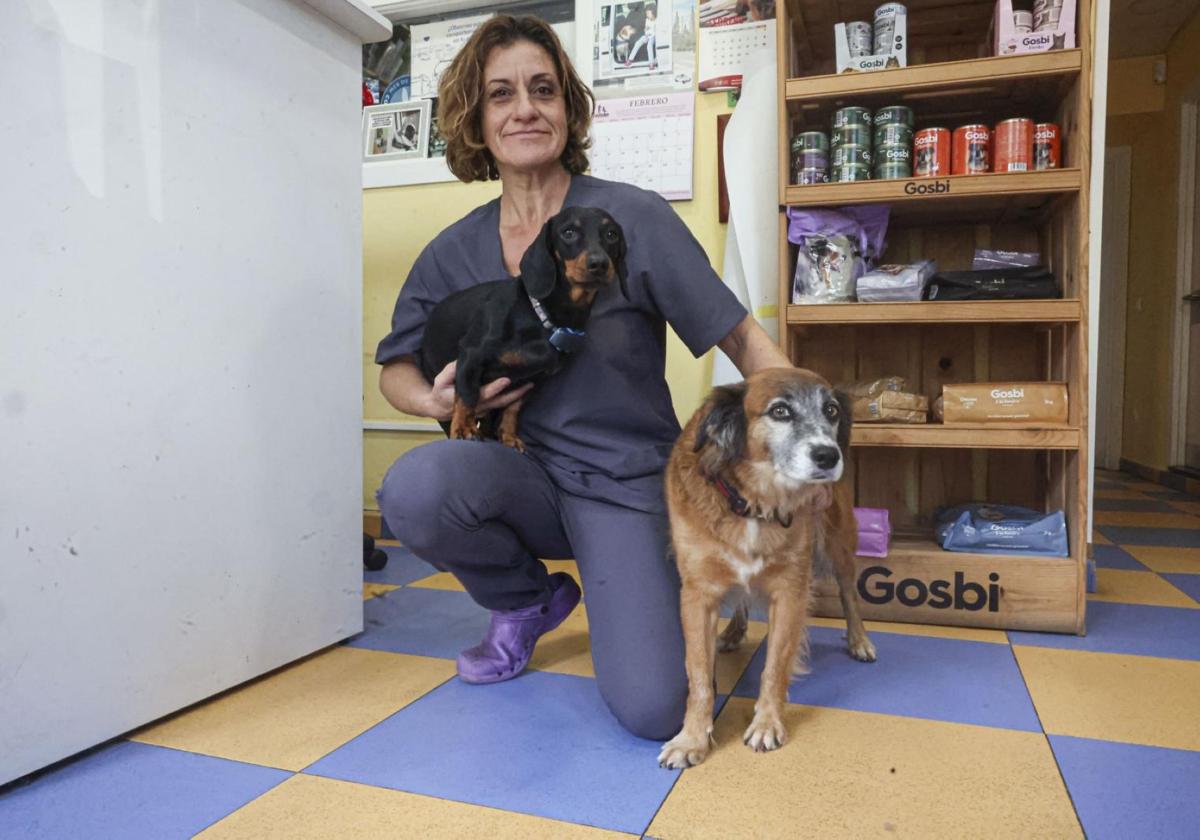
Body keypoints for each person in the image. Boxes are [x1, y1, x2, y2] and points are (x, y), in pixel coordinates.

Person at [374, 14, 790, 740]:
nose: (525, 108)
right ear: (477, 118)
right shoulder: (453, 251)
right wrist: (431, 399)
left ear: (568, 107)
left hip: (627, 486)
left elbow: (745, 339)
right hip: (516, 477)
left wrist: (798, 427)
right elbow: (396, 370)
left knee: (655, 709)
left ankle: (656, 580)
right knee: (416, 488)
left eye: (543, 89)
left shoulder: (632, 219)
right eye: (501, 95)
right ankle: (527, 600)